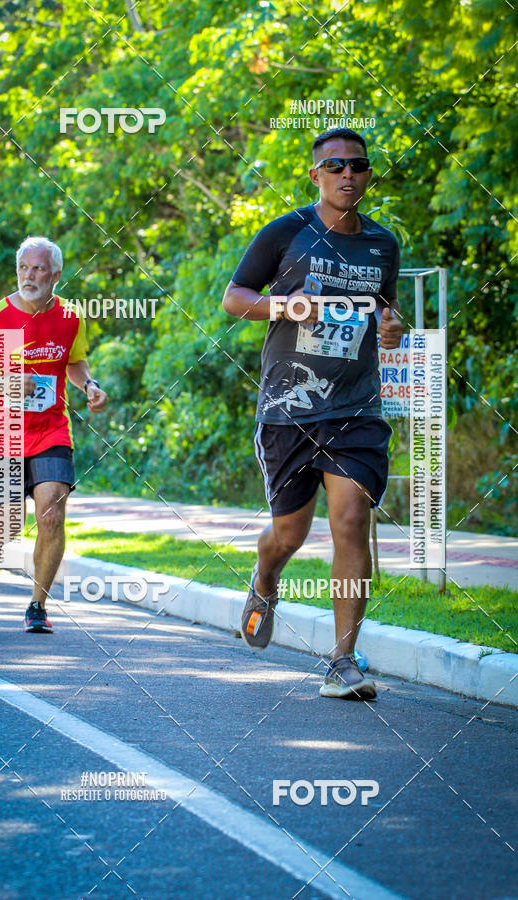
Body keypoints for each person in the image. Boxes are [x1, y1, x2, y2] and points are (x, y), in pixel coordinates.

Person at [222, 128, 403, 700]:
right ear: (316, 176)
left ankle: (343, 660)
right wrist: (286, 303)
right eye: (336, 167)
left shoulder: (382, 245)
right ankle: (265, 579)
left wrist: (393, 328)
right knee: (288, 534)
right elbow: (234, 298)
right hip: (289, 408)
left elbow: (385, 311)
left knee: (350, 519)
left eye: (359, 166)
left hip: (356, 408)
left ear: (368, 174)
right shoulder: (287, 232)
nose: (348, 175)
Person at [0, 236, 107, 633]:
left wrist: (89, 385)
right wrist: (8, 383)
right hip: (5, 431)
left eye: (38, 268)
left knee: (51, 512)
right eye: (24, 268)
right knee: (9, 521)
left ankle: (37, 605)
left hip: (51, 428)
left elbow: (74, 361)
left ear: (56, 275)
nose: (30, 275)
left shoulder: (71, 317)